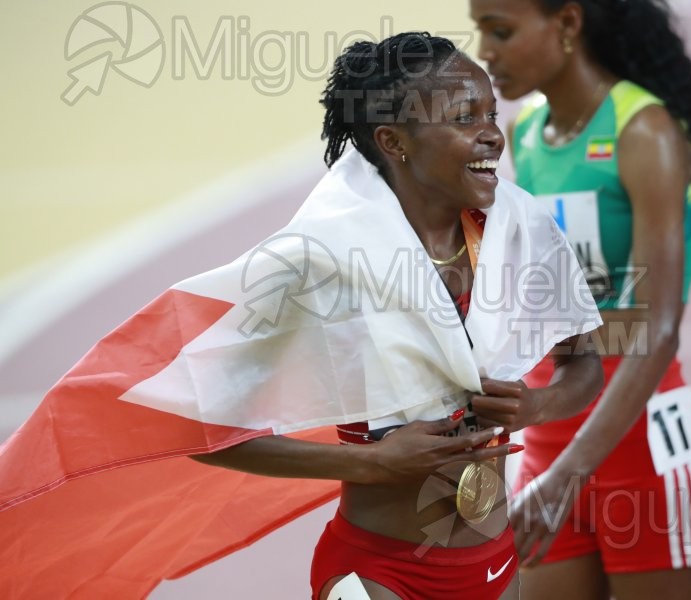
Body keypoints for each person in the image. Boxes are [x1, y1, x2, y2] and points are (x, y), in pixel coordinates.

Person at [191, 32, 606, 600]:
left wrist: (540, 404)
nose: (493, 134)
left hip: (495, 568)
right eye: (465, 116)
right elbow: (201, 427)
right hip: (380, 575)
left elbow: (584, 363)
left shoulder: (519, 227)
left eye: (491, 112)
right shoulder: (320, 255)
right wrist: (375, 464)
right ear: (394, 140)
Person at [469, 1, 691, 599]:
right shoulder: (523, 135)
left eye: (502, 30)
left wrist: (571, 471)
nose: (485, 50)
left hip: (644, 445)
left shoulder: (644, 132)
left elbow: (657, 327)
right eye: (481, 30)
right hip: (551, 441)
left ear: (567, 24)